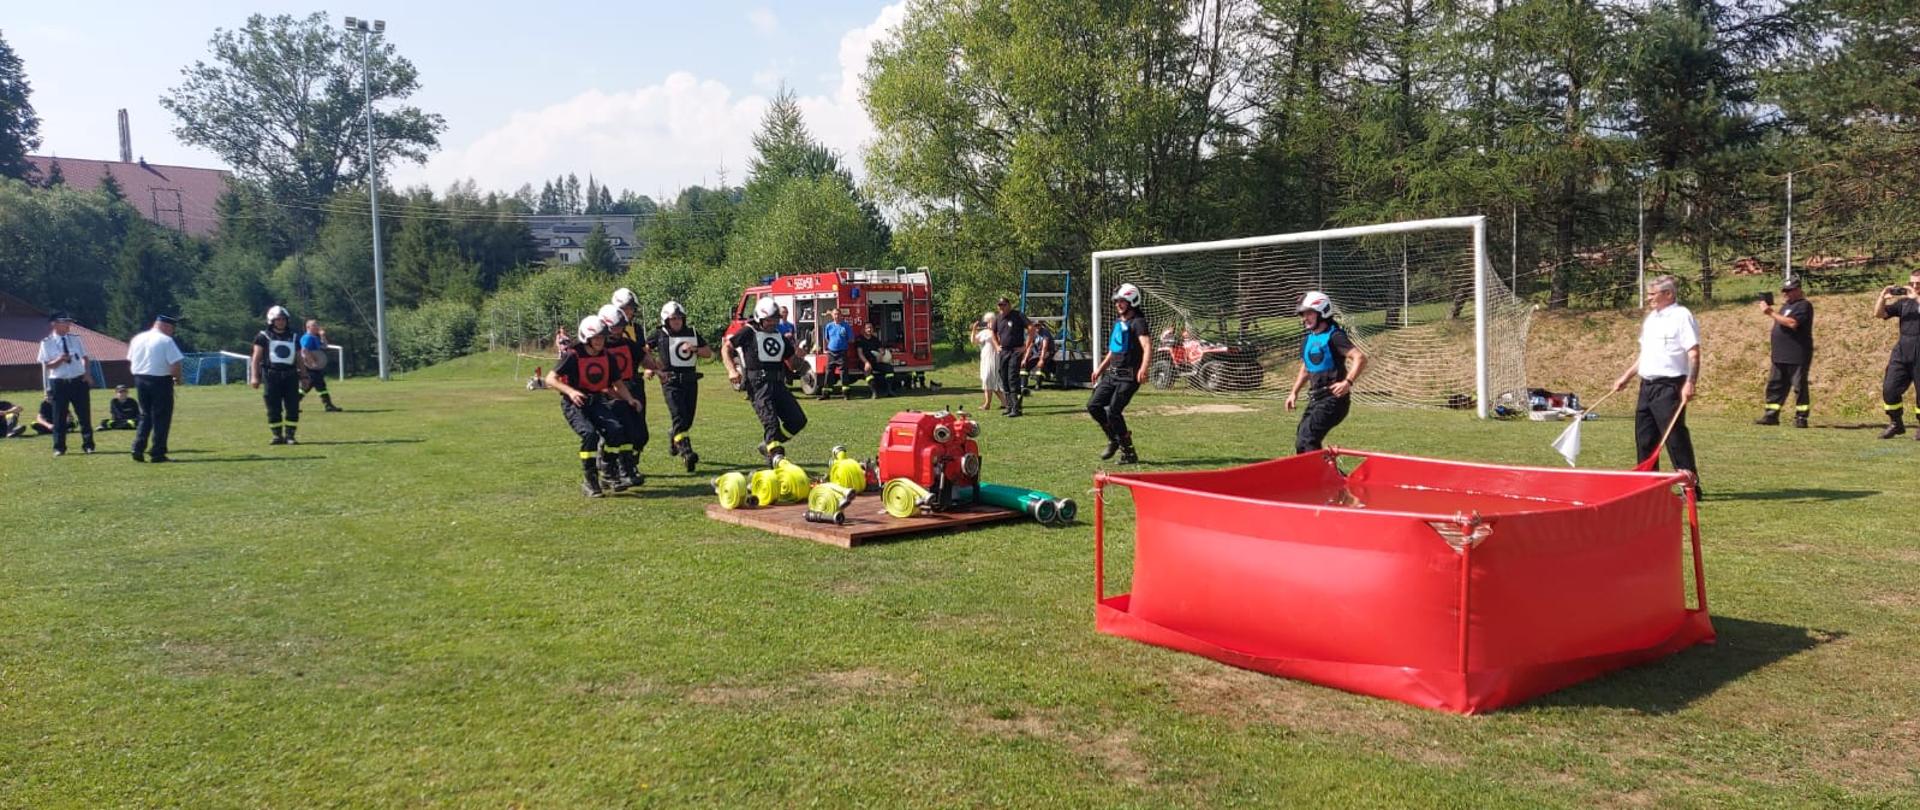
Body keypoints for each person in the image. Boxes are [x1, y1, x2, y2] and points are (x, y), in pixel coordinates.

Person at [1610, 275, 1703, 494]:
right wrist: (1626, 376)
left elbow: (1694, 353)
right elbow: (1646, 354)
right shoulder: (1651, 319)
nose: (1649, 298)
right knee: (1645, 438)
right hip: (1647, 385)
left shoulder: (1682, 316)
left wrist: (1690, 382)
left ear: (1668, 294)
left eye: (1653, 294)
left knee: (1674, 437)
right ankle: (1648, 487)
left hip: (1670, 386)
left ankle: (1690, 486)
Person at [545, 316, 645, 497]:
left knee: (615, 431)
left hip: (596, 401)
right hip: (574, 403)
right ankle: (590, 480)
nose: (600, 341)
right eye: (596, 338)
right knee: (589, 434)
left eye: (602, 337)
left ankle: (607, 472)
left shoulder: (607, 356)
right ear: (586, 338)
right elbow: (550, 379)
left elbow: (617, 382)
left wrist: (630, 399)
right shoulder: (572, 355)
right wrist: (571, 392)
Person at [725, 297, 807, 465]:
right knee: (771, 423)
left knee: (798, 420)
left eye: (775, 319)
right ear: (759, 318)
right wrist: (732, 370)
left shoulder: (780, 336)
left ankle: (769, 444)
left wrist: (800, 355)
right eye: (769, 320)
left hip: (778, 384)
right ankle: (775, 459)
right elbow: (726, 348)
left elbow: (793, 365)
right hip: (758, 385)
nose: (772, 323)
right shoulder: (748, 332)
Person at [1286, 291, 1369, 455]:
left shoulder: (1335, 336)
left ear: (1322, 311)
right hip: (1316, 399)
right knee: (1301, 442)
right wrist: (1293, 392)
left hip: (1334, 401)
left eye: (1309, 313)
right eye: (1303, 314)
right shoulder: (1308, 340)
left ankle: (1322, 478)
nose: (1305, 318)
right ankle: (1327, 476)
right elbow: (1306, 368)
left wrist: (1348, 382)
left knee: (1308, 439)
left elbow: (1360, 358)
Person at [1088, 284, 1152, 463]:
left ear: (1132, 301)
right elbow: (1113, 350)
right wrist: (1100, 368)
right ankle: (1114, 439)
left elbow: (1147, 346)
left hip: (1129, 376)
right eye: (1117, 301)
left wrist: (1144, 368)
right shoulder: (1118, 322)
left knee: (1113, 411)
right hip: (1112, 374)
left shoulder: (1138, 322)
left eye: (1122, 301)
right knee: (1094, 406)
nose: (1118, 304)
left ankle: (1129, 452)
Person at [650, 300, 713, 472]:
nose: (677, 321)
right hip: (670, 381)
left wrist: (695, 349)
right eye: (673, 319)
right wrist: (652, 367)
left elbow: (708, 353)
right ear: (666, 320)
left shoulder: (692, 332)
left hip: (690, 380)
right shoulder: (659, 334)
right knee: (678, 415)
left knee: (687, 419)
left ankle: (674, 435)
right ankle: (687, 453)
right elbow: (643, 350)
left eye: (679, 318)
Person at [598, 303, 650, 485]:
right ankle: (611, 469)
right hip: (608, 393)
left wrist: (659, 369)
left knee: (637, 433)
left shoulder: (628, 343)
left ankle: (627, 467)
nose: (618, 330)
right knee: (616, 432)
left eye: (621, 326)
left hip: (628, 388)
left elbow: (644, 358)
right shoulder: (598, 348)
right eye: (614, 327)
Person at [126, 314, 184, 463]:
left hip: (140, 379)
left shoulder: (137, 338)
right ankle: (157, 452)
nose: (172, 331)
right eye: (172, 328)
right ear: (166, 326)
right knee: (162, 417)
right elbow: (175, 364)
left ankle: (137, 447)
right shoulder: (166, 340)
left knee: (145, 415)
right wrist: (177, 378)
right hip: (160, 380)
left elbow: (131, 359)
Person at [1756, 278, 1813, 428]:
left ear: (1798, 290)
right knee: (1775, 385)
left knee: (1799, 386)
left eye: (1789, 291)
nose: (1786, 294)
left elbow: (1792, 323)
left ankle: (1801, 417)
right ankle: (1771, 415)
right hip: (1780, 354)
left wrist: (1770, 312)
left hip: (1797, 354)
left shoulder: (1804, 305)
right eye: (1784, 291)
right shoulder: (1786, 306)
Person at [37, 311, 95, 456]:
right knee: (59, 416)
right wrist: (60, 359)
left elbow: (85, 358)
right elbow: (47, 365)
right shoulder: (46, 342)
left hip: (78, 381)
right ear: (55, 324)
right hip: (59, 383)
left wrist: (87, 373)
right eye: (65, 322)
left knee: (84, 415)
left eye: (69, 322)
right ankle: (59, 448)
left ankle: (88, 445)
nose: (69, 325)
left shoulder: (75, 339)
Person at [1872, 271, 1920, 439]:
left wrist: (1916, 298)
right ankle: (1896, 423)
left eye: (1918, 284)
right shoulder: (1904, 303)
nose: (1914, 287)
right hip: (1902, 350)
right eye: (1912, 283)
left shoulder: (1915, 299)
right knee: (1889, 388)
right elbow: (1879, 314)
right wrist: (1882, 297)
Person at [252, 305, 305, 445]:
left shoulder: (293, 337)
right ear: (272, 321)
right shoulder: (263, 337)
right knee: (273, 406)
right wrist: (255, 376)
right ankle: (277, 435)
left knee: (292, 406)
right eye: (278, 319)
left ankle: (290, 435)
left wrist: (304, 375)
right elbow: (256, 358)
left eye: (283, 319)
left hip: (290, 375)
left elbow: (299, 357)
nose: (281, 322)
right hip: (271, 376)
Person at [991, 297, 1030, 416]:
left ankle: (1017, 408)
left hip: (1015, 351)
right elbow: (993, 332)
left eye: (1003, 305)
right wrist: (997, 346)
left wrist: (1025, 347)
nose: (1001, 307)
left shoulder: (1018, 315)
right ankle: (1009, 406)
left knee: (1012, 377)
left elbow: (1031, 329)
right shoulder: (998, 318)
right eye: (999, 305)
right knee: (1004, 376)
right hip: (1004, 351)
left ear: (1009, 305)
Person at [299, 319, 343, 412]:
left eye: (317, 325)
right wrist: (312, 362)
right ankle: (328, 405)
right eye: (314, 326)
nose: (317, 327)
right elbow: (304, 350)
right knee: (311, 386)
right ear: (308, 327)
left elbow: (325, 346)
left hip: (315, 367)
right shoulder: (307, 337)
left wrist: (322, 336)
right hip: (310, 367)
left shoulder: (315, 337)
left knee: (317, 386)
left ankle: (328, 405)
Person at [819, 308, 854, 400]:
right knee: (829, 373)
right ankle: (826, 394)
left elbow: (851, 339)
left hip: (842, 352)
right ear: (832, 315)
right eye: (835, 314)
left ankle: (846, 394)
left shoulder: (845, 326)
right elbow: (827, 338)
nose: (836, 316)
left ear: (841, 316)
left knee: (843, 373)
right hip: (831, 352)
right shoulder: (829, 326)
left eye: (838, 314)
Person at [853, 321, 893, 399]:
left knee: (889, 369)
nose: (869, 329)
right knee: (869, 373)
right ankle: (874, 393)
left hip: (875, 361)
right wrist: (866, 363)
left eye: (870, 328)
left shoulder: (875, 339)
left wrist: (881, 355)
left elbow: (881, 349)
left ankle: (889, 391)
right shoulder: (860, 339)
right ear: (864, 329)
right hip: (864, 362)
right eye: (867, 328)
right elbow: (860, 353)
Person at [975, 313, 1004, 411]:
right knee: (988, 380)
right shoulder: (984, 332)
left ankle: (987, 404)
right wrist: (974, 329)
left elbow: (1001, 342)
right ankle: (1005, 402)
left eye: (990, 321)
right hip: (985, 358)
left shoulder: (998, 331)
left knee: (989, 379)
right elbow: (974, 341)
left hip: (994, 357)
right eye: (987, 322)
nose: (988, 323)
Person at [1022, 321, 1055, 391]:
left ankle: (1038, 385)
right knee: (1026, 365)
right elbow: (1030, 347)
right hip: (1037, 353)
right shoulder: (1034, 334)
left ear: (1041, 325)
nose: (1037, 327)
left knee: (1040, 366)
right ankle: (1023, 385)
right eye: (1035, 325)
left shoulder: (1045, 333)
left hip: (1048, 352)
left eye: (1038, 325)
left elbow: (1045, 347)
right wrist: (1025, 359)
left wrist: (1041, 359)